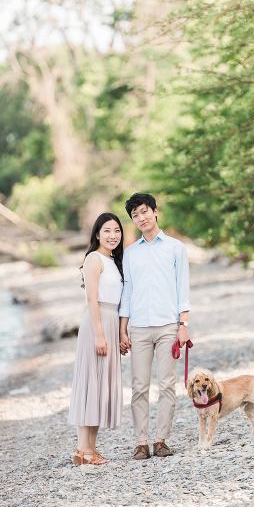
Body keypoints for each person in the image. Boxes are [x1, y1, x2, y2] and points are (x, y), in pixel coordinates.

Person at [119, 193, 191, 459]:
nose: (141, 218)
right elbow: (127, 292)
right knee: (139, 386)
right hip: (138, 328)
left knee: (167, 385)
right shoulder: (130, 254)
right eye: (135, 215)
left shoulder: (175, 248)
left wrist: (183, 324)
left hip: (167, 327)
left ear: (155, 211)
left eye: (144, 211)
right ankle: (141, 442)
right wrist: (122, 329)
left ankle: (160, 440)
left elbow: (182, 288)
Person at [68, 212, 125, 465]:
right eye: (107, 231)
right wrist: (100, 334)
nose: (113, 235)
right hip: (97, 323)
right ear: (97, 234)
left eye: (117, 231)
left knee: (100, 385)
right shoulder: (94, 259)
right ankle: (83, 449)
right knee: (91, 383)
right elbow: (91, 299)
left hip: (110, 322)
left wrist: (120, 333)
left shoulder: (114, 260)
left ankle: (89, 448)